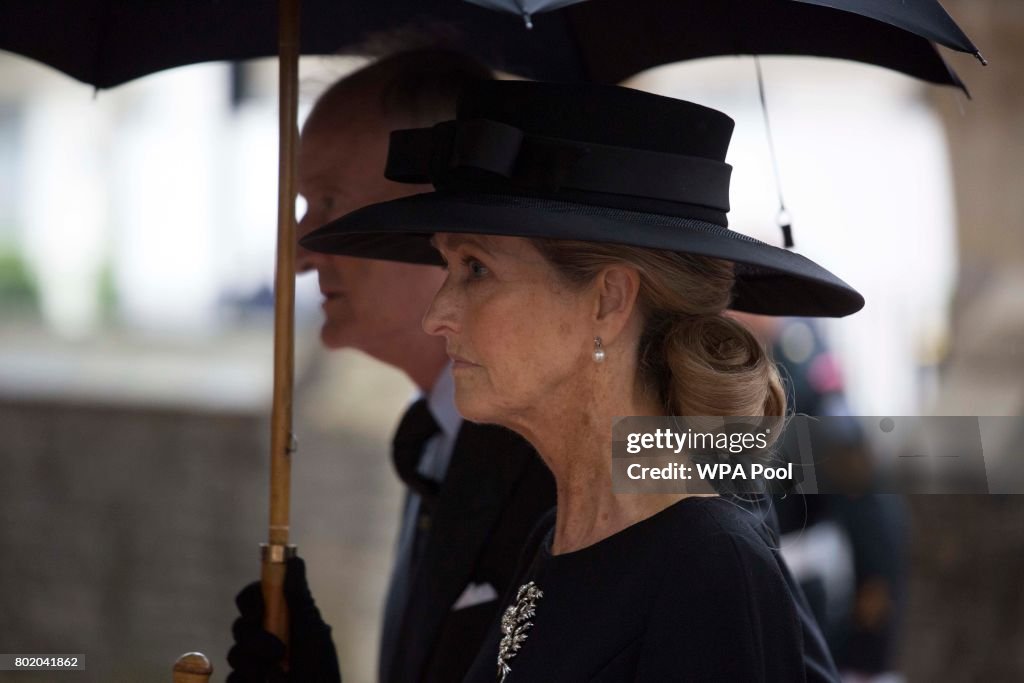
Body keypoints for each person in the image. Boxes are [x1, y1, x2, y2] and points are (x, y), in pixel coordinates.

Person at [303, 80, 864, 681]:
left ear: (608, 301)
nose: (436, 314)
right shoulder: (558, 534)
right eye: (449, 266)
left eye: (476, 268)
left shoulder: (709, 560)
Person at [226, 51, 555, 683]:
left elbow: (771, 474)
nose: (298, 252)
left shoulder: (614, 456)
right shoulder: (437, 436)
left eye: (328, 200)